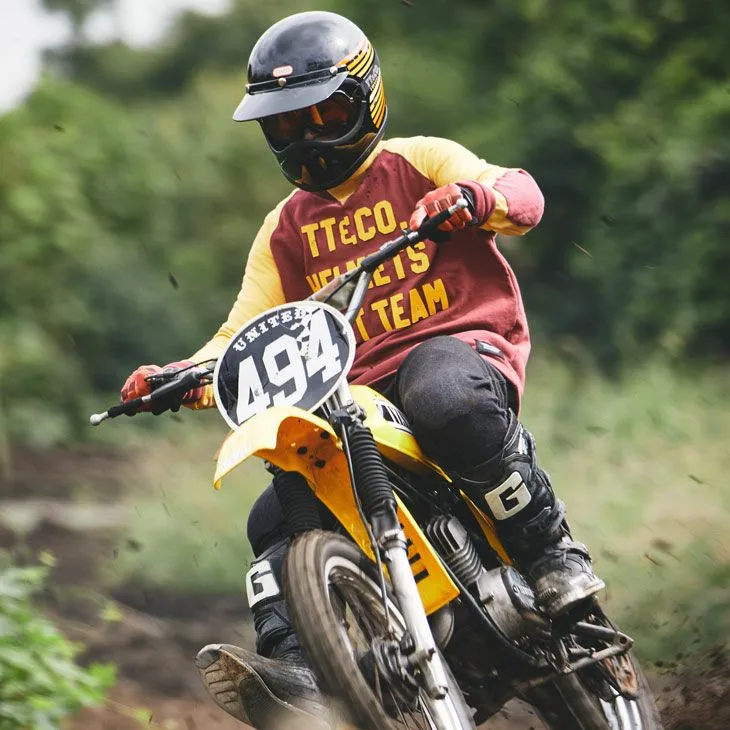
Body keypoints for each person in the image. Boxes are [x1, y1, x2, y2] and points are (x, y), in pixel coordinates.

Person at [120, 10, 604, 729]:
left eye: (321, 115)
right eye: (286, 125)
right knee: (273, 514)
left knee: (443, 396)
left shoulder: (419, 160)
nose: (306, 139)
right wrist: (178, 375)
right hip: (353, 395)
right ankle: (299, 666)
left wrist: (475, 199)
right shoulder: (284, 228)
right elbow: (239, 332)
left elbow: (521, 195)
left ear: (365, 99)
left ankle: (552, 557)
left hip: (459, 350)